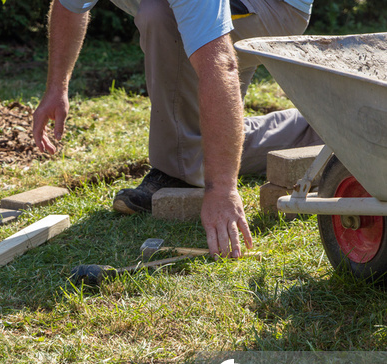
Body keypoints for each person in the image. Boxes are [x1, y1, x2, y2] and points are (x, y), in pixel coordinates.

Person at [32, 0, 321, 258]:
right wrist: (57, 87)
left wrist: (222, 191)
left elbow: (220, 64)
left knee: (160, 17)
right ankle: (312, 129)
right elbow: (69, 5)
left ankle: (176, 174)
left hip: (275, 6)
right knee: (201, 139)